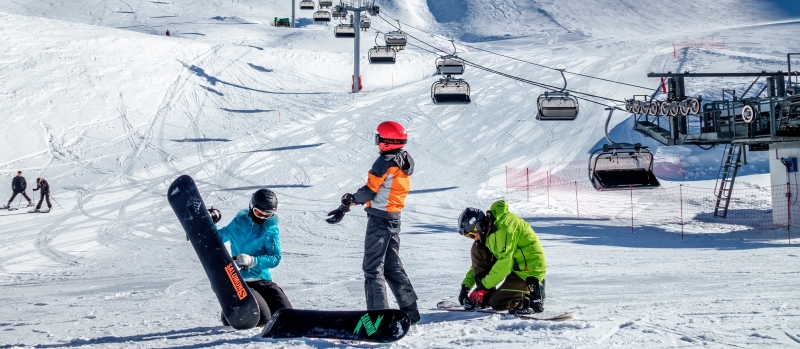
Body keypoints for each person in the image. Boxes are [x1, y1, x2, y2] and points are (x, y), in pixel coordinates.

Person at [325, 121, 420, 324]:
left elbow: (370, 190)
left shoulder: (384, 161)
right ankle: (411, 311)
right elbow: (377, 189)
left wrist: (351, 199)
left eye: (379, 139)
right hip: (394, 218)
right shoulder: (404, 160)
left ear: (387, 141)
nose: (377, 143)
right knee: (392, 266)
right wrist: (349, 203)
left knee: (372, 268)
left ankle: (378, 320)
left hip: (380, 219)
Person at [213, 188, 292, 327]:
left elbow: (275, 257)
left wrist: (253, 261)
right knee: (262, 318)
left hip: (263, 280)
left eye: (267, 215)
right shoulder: (238, 223)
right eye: (258, 212)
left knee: (286, 314)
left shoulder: (271, 230)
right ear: (251, 206)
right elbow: (218, 237)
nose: (261, 217)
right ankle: (229, 313)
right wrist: (208, 223)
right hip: (240, 281)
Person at [457, 200, 547, 315]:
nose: (474, 238)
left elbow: (505, 265)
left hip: (528, 270)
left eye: (472, 235)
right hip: (515, 266)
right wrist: (466, 286)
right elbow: (479, 263)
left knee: (498, 303)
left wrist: (482, 287)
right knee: (478, 248)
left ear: (478, 225)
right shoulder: (490, 231)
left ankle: (533, 293)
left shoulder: (503, 227)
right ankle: (486, 295)